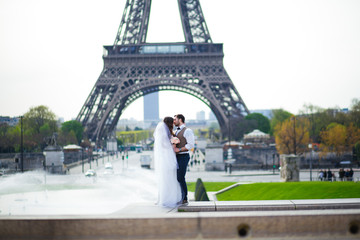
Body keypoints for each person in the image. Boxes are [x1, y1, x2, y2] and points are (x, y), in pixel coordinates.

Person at [153, 117, 182, 207]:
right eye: (172, 122)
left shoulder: (164, 131)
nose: (174, 123)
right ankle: (169, 198)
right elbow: (164, 145)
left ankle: (164, 197)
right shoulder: (164, 132)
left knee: (166, 178)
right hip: (168, 157)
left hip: (166, 158)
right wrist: (173, 143)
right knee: (169, 178)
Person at [173, 114, 195, 204]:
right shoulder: (176, 131)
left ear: (180, 119)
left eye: (175, 119)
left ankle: (184, 197)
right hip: (176, 157)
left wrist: (179, 149)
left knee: (180, 177)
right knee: (176, 178)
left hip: (183, 156)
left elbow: (191, 145)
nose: (174, 121)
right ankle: (179, 197)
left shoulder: (188, 131)